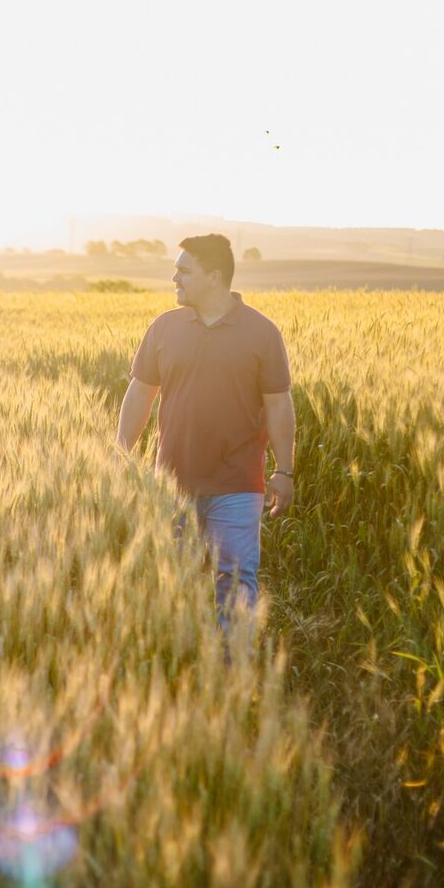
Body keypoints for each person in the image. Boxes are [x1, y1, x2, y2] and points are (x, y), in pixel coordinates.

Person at [115, 234, 295, 625]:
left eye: (184, 270)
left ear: (214, 277)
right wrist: (122, 456)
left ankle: (232, 674)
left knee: (235, 581)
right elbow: (140, 395)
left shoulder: (262, 333)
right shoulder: (164, 328)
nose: (174, 277)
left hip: (238, 484)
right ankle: (187, 668)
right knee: (176, 583)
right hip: (171, 485)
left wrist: (284, 470)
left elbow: (279, 404)